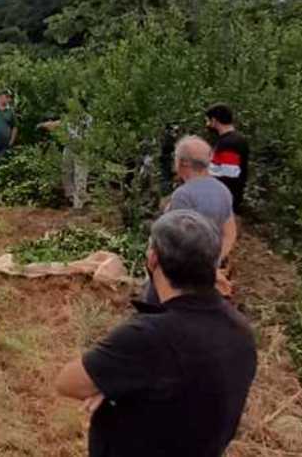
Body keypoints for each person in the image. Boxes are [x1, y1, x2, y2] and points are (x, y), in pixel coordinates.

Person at [56, 209, 257, 457]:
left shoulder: (149, 337)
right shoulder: (241, 331)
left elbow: (68, 382)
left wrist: (109, 384)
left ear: (152, 260)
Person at [144, 136, 237, 303]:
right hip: (204, 277)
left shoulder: (184, 195)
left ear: (183, 163)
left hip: (179, 279)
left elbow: (175, 242)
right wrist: (212, 265)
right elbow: (230, 233)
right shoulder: (223, 190)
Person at [205, 103, 250, 212]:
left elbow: (228, 176)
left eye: (208, 121)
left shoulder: (229, 143)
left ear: (214, 121)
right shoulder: (232, 140)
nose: (207, 124)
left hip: (223, 202)